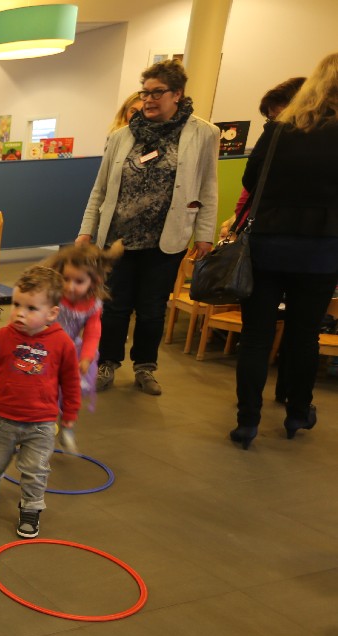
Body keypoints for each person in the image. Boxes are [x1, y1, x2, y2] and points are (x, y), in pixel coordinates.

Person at [77, 59, 219, 396]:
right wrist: (86, 230)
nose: (149, 100)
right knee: (114, 308)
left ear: (177, 94)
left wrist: (204, 234)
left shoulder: (203, 133)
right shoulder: (121, 136)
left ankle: (145, 367)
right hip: (118, 239)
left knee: (153, 311)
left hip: (165, 239)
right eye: (145, 93)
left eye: (157, 93)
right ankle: (107, 363)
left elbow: (208, 187)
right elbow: (100, 189)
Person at [228, 52, 338, 449]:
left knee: (256, 337)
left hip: (268, 245)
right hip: (322, 250)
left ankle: (247, 421)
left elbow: (250, 179)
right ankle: (297, 413)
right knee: (304, 336)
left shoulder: (278, 130)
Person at [0, 267, 81, 539]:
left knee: (36, 469)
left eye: (31, 308)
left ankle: (31, 507)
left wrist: (69, 413)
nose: (20, 313)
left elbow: (70, 381)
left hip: (41, 423)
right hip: (3, 418)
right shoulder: (1, 337)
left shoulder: (62, 343)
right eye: (16, 304)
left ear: (52, 314)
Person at [44, 240, 123, 453]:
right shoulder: (53, 296)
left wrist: (86, 357)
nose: (70, 286)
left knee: (71, 392)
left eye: (78, 281)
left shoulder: (93, 305)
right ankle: (38, 429)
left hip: (71, 351)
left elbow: (93, 332)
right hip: (47, 348)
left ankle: (67, 425)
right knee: (44, 392)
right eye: (66, 279)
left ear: (94, 281)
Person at [219, 77, 306, 240]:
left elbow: (250, 181)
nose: (274, 126)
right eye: (271, 120)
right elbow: (249, 187)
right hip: (266, 233)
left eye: (280, 119)